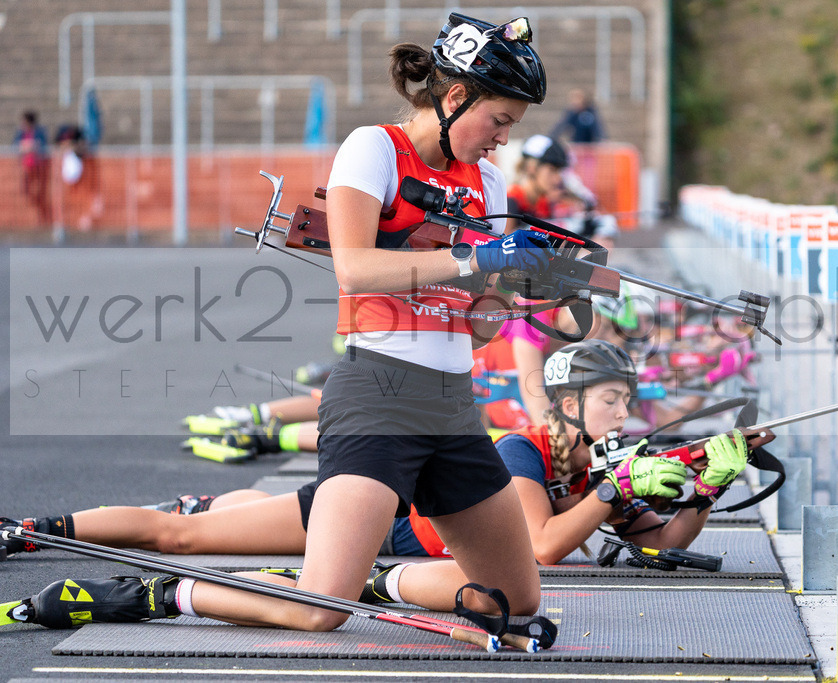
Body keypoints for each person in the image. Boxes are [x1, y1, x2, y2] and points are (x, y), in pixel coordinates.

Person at [2, 13, 557, 634]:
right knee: (319, 609)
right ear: (456, 97)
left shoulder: (486, 179)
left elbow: (477, 327)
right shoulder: (375, 148)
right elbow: (354, 268)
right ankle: (162, 596)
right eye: (500, 120)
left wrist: (522, 297)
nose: (503, 138)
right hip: (379, 400)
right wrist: (476, 257)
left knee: (513, 595)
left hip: (453, 409)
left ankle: (376, 584)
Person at [1, 341, 769, 597]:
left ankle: (211, 500)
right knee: (181, 537)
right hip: (384, 515)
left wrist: (706, 488)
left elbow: (663, 543)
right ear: (566, 403)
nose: (621, 417)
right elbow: (540, 545)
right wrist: (610, 491)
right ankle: (31, 530)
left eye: (626, 402)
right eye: (607, 401)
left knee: (214, 522)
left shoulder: (605, 466)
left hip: (394, 544)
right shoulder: (523, 451)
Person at [13, 110, 50, 226]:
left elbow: (41, 145)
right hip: (25, 166)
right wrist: (30, 146)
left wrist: (29, 146)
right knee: (25, 189)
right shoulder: (20, 133)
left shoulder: (39, 132)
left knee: (40, 190)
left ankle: (41, 215)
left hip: (38, 166)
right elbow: (16, 146)